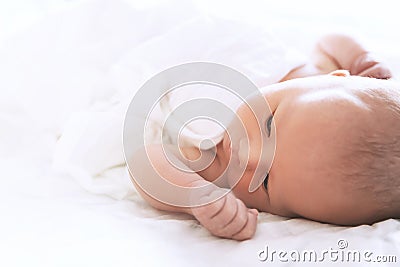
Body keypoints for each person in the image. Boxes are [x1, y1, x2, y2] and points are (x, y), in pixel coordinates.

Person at [129, 32, 399, 241]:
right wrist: (361, 56)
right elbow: (328, 43)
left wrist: (191, 194)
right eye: (269, 125)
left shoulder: (215, 163)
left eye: (266, 182)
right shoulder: (313, 77)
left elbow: (144, 161)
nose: (245, 156)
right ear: (336, 76)